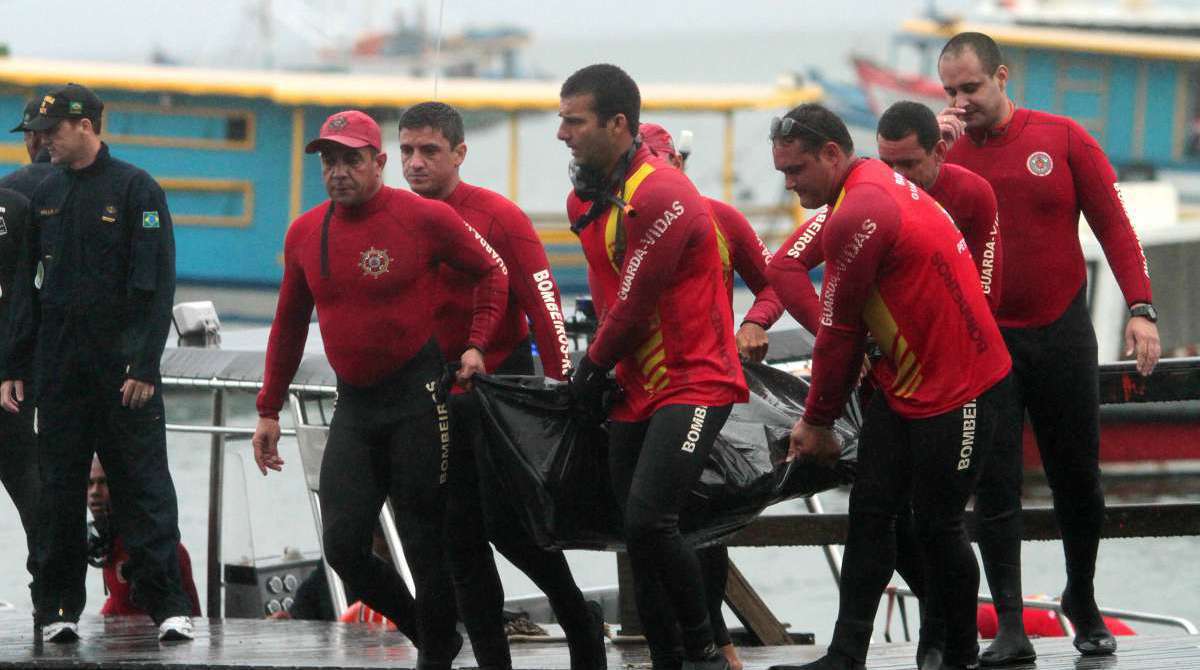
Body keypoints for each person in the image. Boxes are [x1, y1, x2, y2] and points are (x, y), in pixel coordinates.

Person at [250, 109, 509, 670]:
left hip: (419, 399)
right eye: (329, 161)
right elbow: (289, 325)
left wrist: (476, 344)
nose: (338, 171)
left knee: (423, 540)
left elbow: (493, 272)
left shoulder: (422, 218)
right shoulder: (305, 232)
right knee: (343, 544)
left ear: (378, 162)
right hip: (357, 405)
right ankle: (430, 632)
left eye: (351, 159)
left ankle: (434, 656)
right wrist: (268, 408)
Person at [936, 31, 1160, 663]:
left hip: (1061, 328)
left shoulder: (1061, 138)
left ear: (1002, 77)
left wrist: (1140, 308)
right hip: (987, 340)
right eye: (949, 91)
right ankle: (1009, 622)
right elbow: (903, 225)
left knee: (1078, 480)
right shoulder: (941, 157)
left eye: (971, 88)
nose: (961, 101)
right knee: (996, 484)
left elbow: (1115, 225)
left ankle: (1082, 600)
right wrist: (931, 158)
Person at [764, 103, 1012, 670]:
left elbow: (840, 332)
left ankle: (960, 653)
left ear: (832, 153)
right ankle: (848, 653)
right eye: (781, 172)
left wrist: (818, 419)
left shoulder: (860, 210)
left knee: (938, 523)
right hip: (905, 385)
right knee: (871, 514)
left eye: (797, 170)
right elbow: (807, 293)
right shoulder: (862, 194)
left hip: (964, 390)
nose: (789, 183)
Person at [398, 100, 606, 670]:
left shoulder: (496, 216)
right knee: (458, 537)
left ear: (459, 153)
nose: (415, 163)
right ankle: (493, 660)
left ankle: (576, 617)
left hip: (500, 392)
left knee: (510, 528)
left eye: (429, 151)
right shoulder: (395, 218)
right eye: (406, 151)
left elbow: (547, 310)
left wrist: (563, 395)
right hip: (432, 395)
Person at [558, 63, 748, 670]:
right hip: (632, 385)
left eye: (574, 121)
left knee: (650, 519)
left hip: (697, 380)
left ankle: (706, 652)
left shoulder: (663, 192)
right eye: (560, 120)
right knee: (634, 534)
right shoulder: (584, 199)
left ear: (618, 124)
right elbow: (606, 289)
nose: (562, 133)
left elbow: (636, 303)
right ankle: (668, 657)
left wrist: (587, 370)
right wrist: (598, 371)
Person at [0, 83, 193, 643]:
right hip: (60, 372)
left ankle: (167, 606)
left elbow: (155, 286)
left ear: (85, 126)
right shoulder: (45, 196)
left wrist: (144, 366)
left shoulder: (137, 190)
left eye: (51, 132)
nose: (41, 144)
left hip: (122, 375)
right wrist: (14, 364)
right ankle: (58, 608)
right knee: (58, 491)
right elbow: (28, 288)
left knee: (144, 489)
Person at [639, 121, 788, 670]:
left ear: (680, 163)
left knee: (694, 518)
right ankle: (674, 651)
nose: (661, 174)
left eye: (668, 163)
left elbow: (772, 282)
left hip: (704, 387)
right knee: (647, 525)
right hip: (640, 393)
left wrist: (754, 322)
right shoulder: (617, 220)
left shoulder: (719, 218)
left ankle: (716, 644)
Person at [87, 456, 201, 617]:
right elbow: (118, 599)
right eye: (89, 484)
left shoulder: (161, 550)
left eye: (103, 482)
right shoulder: (107, 544)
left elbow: (192, 613)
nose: (95, 492)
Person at [0, 181, 38, 605]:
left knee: (31, 488)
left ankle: (50, 596)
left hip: (10, 382)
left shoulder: (15, 210)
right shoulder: (17, 206)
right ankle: (50, 598)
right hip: (13, 376)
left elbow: (31, 296)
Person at [0, 98, 57, 198]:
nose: (24, 140)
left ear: (32, 136)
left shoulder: (10, 186)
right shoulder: (82, 176)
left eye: (25, 135)